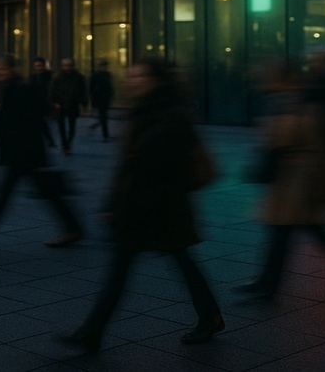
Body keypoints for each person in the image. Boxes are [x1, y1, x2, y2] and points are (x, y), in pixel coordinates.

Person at [62, 57, 223, 353]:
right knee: (127, 269)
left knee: (180, 263)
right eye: (131, 77)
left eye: (140, 77)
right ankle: (92, 332)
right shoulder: (140, 112)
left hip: (163, 207)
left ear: (157, 80)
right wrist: (112, 202)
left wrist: (145, 197)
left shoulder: (174, 115)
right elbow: (127, 166)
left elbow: (177, 170)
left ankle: (209, 316)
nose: (133, 82)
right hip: (138, 206)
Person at [236, 60, 325, 300]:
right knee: (285, 232)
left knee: (304, 231)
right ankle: (268, 282)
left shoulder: (285, 102)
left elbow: (282, 138)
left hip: (295, 179)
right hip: (295, 178)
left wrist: (263, 161)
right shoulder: (300, 99)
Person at [0, 54, 83, 249]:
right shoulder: (12, 88)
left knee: (5, 195)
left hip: (24, 151)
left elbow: (31, 114)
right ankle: (73, 228)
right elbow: (5, 120)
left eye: (1, 69)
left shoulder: (21, 88)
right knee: (44, 194)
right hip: (24, 152)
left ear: (11, 69)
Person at [50, 58, 88, 154]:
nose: (66, 67)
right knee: (61, 126)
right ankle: (64, 144)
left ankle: (67, 144)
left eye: (68, 65)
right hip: (61, 104)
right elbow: (52, 90)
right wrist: (54, 102)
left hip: (73, 104)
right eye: (65, 65)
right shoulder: (58, 77)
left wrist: (84, 104)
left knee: (72, 126)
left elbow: (83, 91)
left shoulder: (78, 77)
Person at [89, 59, 114, 141]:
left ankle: (101, 129)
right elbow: (92, 88)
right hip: (100, 98)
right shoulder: (97, 75)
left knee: (103, 116)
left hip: (103, 98)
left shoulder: (106, 75)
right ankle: (105, 135)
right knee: (103, 116)